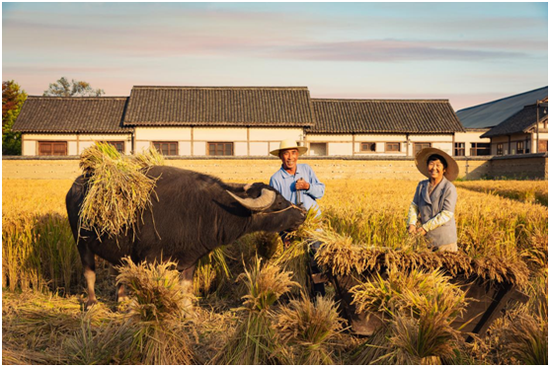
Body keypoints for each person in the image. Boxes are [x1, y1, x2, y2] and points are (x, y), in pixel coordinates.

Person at [269, 138, 326, 295]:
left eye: (293, 153)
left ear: (297, 155)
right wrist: (284, 233)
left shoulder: (306, 170)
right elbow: (275, 210)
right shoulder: (276, 179)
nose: (290, 157)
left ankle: (320, 298)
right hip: (292, 230)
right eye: (286, 153)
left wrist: (307, 186)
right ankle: (299, 297)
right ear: (280, 157)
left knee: (316, 260)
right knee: (296, 265)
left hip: (313, 227)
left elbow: (321, 191)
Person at [407, 147, 459, 252]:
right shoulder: (422, 185)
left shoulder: (449, 188)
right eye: (431, 164)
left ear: (444, 169)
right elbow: (414, 206)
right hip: (425, 239)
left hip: (444, 238)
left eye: (438, 165)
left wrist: (425, 228)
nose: (434, 168)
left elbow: (446, 214)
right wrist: (411, 223)